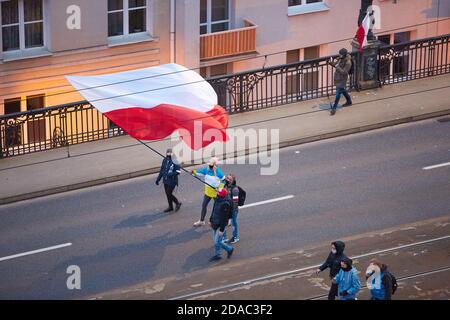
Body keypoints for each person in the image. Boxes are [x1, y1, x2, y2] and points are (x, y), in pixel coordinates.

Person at [191, 157, 225, 227]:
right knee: (204, 205)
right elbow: (198, 173)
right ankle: (202, 221)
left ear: (215, 165)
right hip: (208, 192)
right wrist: (193, 172)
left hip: (216, 193)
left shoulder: (219, 172)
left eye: (211, 165)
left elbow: (224, 180)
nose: (209, 166)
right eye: (209, 165)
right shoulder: (206, 170)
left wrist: (219, 188)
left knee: (217, 208)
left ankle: (221, 220)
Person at [209, 188, 234, 261]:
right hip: (214, 222)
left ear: (222, 196)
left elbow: (224, 218)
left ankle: (226, 251)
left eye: (219, 194)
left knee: (217, 242)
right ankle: (223, 252)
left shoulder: (225, 204)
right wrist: (210, 220)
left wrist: (222, 229)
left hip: (220, 225)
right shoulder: (217, 199)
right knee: (216, 241)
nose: (217, 195)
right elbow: (213, 210)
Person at [156, 148, 181, 213]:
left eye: (169, 154)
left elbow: (178, 172)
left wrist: (170, 174)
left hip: (172, 181)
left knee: (169, 193)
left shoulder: (175, 161)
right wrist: (158, 179)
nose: (168, 155)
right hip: (165, 180)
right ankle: (170, 207)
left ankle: (177, 203)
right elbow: (162, 170)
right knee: (167, 194)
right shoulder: (164, 160)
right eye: (167, 154)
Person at [329, 48, 353, 116]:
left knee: (338, 93)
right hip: (337, 77)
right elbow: (336, 65)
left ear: (344, 55)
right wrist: (331, 63)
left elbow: (344, 72)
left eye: (341, 54)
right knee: (342, 90)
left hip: (342, 79)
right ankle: (349, 101)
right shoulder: (340, 58)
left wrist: (336, 66)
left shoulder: (348, 62)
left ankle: (334, 108)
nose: (339, 55)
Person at [223, 174, 240, 244]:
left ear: (232, 181)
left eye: (229, 179)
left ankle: (235, 237)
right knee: (223, 223)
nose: (227, 180)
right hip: (226, 208)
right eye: (227, 178)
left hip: (233, 210)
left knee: (234, 223)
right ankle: (224, 238)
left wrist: (230, 213)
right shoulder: (225, 186)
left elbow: (235, 203)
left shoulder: (235, 190)